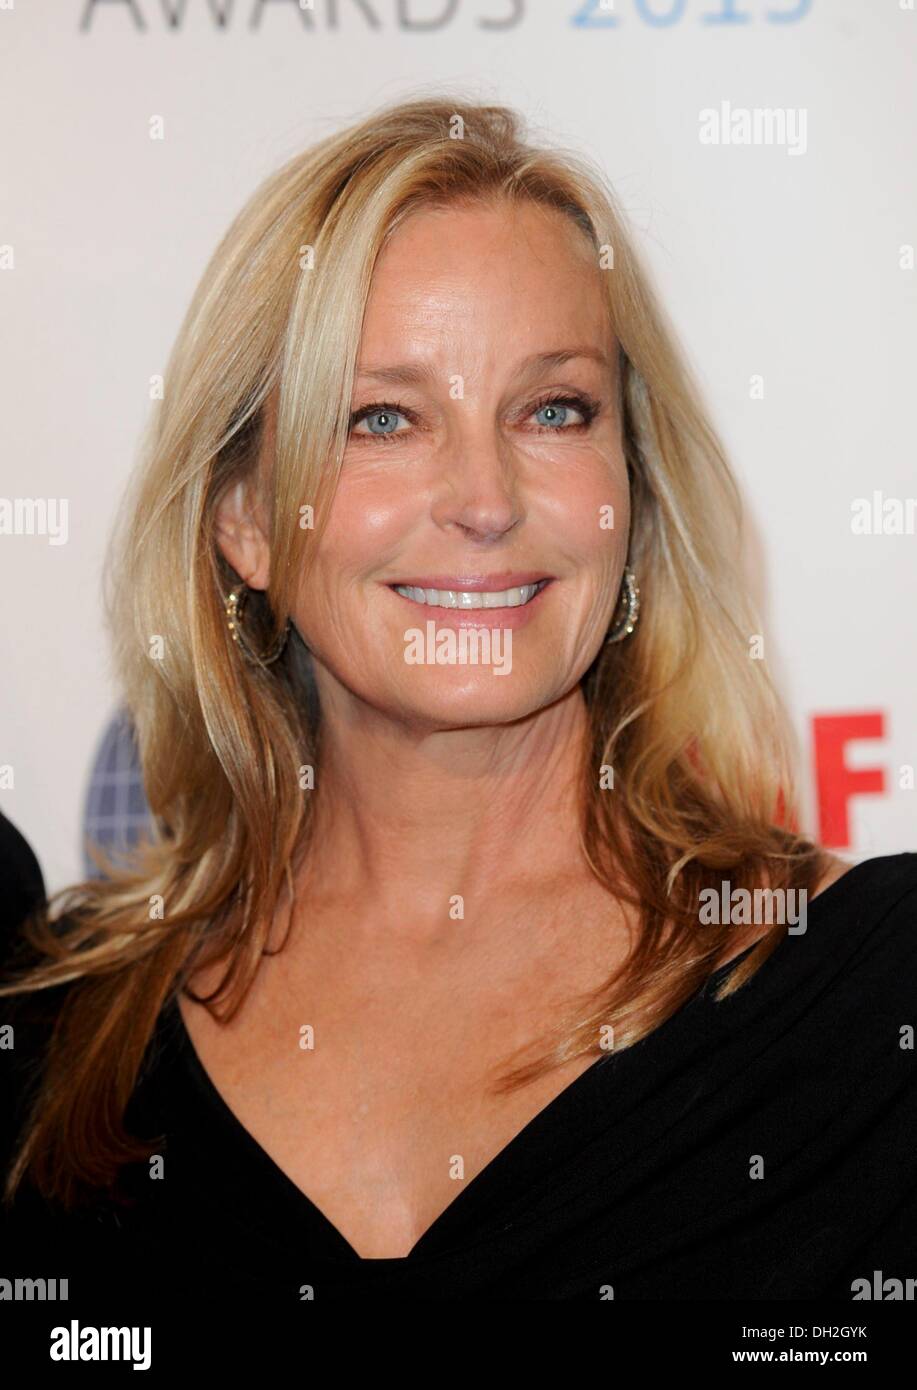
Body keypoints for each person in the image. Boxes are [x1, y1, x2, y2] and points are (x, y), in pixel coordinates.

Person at [2, 93, 916, 1304]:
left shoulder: (871, 998)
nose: (484, 497)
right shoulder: (57, 1034)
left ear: (626, 493)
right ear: (242, 519)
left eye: (552, 410)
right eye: (381, 418)